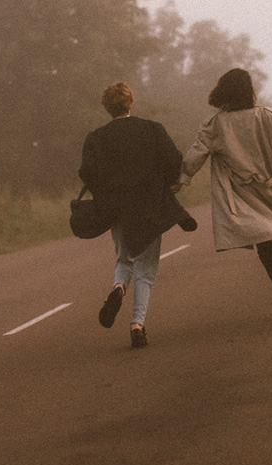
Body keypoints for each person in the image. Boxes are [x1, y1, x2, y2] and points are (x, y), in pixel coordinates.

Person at [178, 67, 272, 323]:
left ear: (223, 91)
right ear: (249, 91)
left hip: (242, 194)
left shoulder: (215, 124)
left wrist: (182, 178)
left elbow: (197, 153)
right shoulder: (266, 117)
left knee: (265, 235)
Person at [78, 81, 196, 348]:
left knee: (125, 256)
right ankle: (137, 325)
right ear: (130, 102)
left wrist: (106, 193)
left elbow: (86, 172)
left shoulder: (96, 138)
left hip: (116, 208)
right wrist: (172, 182)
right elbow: (174, 160)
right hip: (149, 206)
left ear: (107, 108)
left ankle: (119, 286)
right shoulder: (152, 129)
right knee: (146, 267)